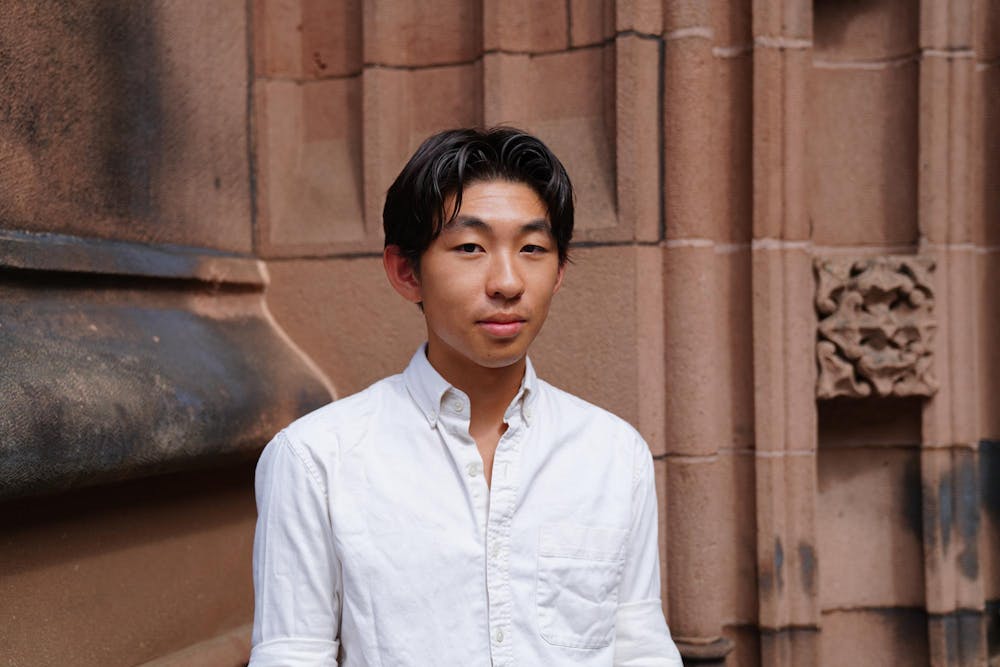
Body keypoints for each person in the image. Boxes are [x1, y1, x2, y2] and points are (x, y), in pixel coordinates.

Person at [249, 127, 683, 666]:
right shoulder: (316, 458)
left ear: (560, 270)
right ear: (407, 272)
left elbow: (640, 649)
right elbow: (293, 655)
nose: (507, 281)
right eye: (471, 247)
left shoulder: (615, 455)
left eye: (532, 248)